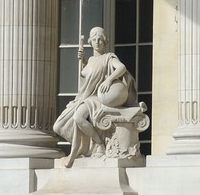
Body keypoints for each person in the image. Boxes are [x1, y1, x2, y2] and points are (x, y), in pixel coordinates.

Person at [53, 27, 143, 166]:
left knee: (78, 117)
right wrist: (81, 60)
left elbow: (121, 68)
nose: (97, 42)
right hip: (86, 97)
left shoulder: (109, 57)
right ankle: (86, 148)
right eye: (94, 39)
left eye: (100, 39)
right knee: (58, 126)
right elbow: (85, 77)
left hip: (98, 97)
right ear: (90, 42)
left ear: (105, 41)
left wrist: (109, 80)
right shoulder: (90, 61)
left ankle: (98, 144)